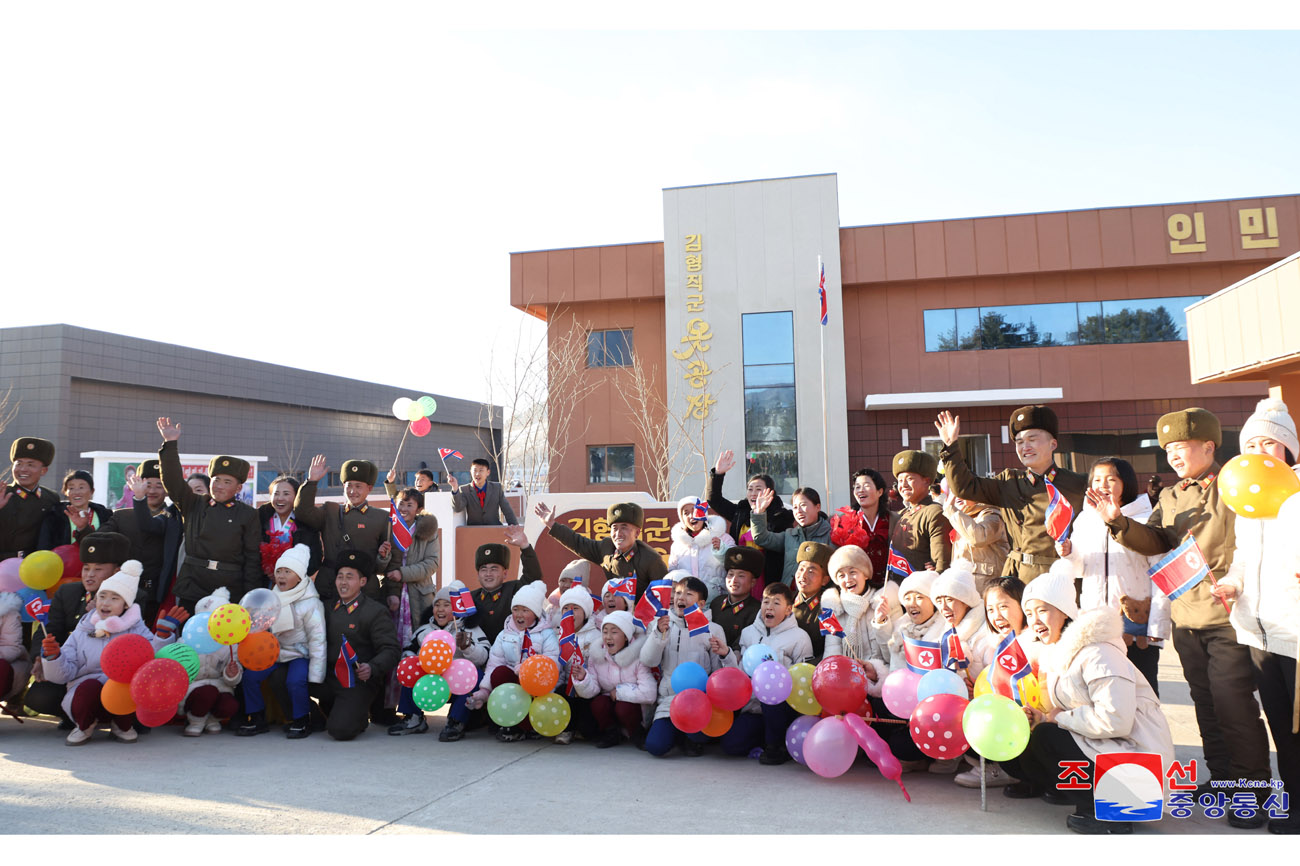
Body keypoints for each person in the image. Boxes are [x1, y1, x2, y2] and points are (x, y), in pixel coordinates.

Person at [1097, 407, 1272, 827]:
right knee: (1205, 702)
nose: (1173, 456)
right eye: (1169, 449)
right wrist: (1117, 521)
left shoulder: (1231, 483)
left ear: (1209, 447)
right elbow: (1156, 539)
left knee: (1233, 703)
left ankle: (1254, 789)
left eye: (1182, 447)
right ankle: (1224, 776)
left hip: (1228, 613)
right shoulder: (1173, 495)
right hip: (1186, 613)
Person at [1002, 569, 1174, 835]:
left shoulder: (1098, 652)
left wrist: (1055, 719)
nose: (1034, 620)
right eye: (1030, 612)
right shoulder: (1059, 652)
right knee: (1022, 738)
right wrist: (1041, 717)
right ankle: (1071, 792)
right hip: (1108, 751)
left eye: (1043, 610)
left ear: (1065, 611)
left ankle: (1113, 813)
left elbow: (1115, 720)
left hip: (1139, 773)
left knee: (1047, 735)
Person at [1210, 397, 1300, 834]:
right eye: (1252, 445)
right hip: (1259, 633)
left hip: (1296, 633)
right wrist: (1231, 583)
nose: (1261, 452)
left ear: (1289, 449)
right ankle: (1293, 801)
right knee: (1281, 726)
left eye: (1271, 443)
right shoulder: (1246, 500)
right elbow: (1244, 558)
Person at [935, 406, 1086, 582]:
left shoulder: (1078, 484)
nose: (1025, 447)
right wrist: (950, 446)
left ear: (1053, 444)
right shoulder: (1009, 482)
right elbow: (964, 487)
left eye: (1032, 439)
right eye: (1020, 442)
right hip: (1017, 578)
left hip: (1059, 577)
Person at [39, 560, 182, 745]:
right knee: (88, 687)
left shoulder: (136, 630)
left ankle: (121, 726)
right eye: (102, 596)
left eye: (115, 598)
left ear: (126, 605)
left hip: (121, 694)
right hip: (85, 694)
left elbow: (153, 663)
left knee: (123, 688)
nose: (106, 603)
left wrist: (162, 637)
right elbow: (64, 673)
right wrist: (53, 657)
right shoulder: (83, 629)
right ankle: (84, 727)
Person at [1057, 457, 1167, 695]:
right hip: (1094, 620)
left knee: (1143, 691)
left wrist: (1157, 625)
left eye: (1111, 479)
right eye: (1097, 479)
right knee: (1101, 689)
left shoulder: (1145, 519)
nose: (1102, 485)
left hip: (1136, 622)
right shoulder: (1085, 519)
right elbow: (1079, 569)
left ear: (1126, 483)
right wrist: (1069, 553)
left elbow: (1160, 574)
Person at [156, 417, 261, 613]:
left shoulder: (248, 514)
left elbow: (252, 558)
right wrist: (170, 444)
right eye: (216, 479)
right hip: (193, 583)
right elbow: (172, 481)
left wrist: (250, 596)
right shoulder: (194, 503)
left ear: (238, 487)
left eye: (227, 482)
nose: (219, 485)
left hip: (229, 588)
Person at [719, 581, 813, 764]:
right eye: (766, 602)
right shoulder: (748, 633)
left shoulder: (799, 637)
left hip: (782, 707)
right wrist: (727, 655)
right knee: (731, 745)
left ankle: (776, 746)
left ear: (788, 609)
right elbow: (740, 672)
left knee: (770, 689)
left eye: (776, 603)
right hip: (753, 707)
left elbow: (804, 677)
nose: (769, 607)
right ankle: (765, 738)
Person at [953, 577, 1034, 789]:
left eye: (1004, 607)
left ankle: (1005, 770)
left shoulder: (1035, 644)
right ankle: (992, 767)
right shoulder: (989, 644)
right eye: (990, 609)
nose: (996, 616)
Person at [312, 549, 400, 741]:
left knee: (340, 731)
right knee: (286, 677)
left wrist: (372, 667)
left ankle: (357, 716)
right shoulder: (324, 608)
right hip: (326, 676)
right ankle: (317, 716)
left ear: (362, 582)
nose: (343, 582)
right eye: (340, 577)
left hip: (355, 681)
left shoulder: (375, 611)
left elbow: (391, 649)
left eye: (349, 577)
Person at [239, 544, 325, 739]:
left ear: (300, 576)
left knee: (295, 681)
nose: (282, 576)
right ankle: (257, 718)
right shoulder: (270, 597)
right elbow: (261, 628)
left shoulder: (311, 602)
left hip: (299, 654)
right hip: (274, 652)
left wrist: (317, 673)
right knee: (250, 677)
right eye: (279, 571)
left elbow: (318, 638)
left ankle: (302, 721)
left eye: (288, 571)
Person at [640, 574, 729, 757]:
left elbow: (719, 674)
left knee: (698, 740)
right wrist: (658, 635)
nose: (681, 598)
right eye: (678, 593)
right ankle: (675, 734)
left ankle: (689, 736)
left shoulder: (713, 629)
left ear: (701, 603)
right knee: (655, 747)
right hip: (669, 701)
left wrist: (724, 654)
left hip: (700, 702)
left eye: (689, 594)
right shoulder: (661, 625)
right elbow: (649, 661)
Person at [392, 580, 491, 742]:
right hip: (430, 684)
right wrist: (411, 661)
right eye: (437, 605)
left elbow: (485, 655)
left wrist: (467, 647)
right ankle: (413, 717)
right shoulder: (424, 630)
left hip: (457, 685)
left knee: (476, 675)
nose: (440, 609)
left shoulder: (470, 629)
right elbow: (409, 649)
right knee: (410, 669)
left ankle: (456, 721)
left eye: (446, 605)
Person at [294, 454, 392, 605]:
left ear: (369, 488)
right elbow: (303, 512)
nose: (352, 491)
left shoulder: (381, 518)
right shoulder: (330, 511)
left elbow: (387, 564)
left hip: (364, 590)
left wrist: (383, 558)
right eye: (349, 485)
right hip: (330, 586)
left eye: (358, 486)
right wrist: (311, 481)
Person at [469, 580, 557, 742]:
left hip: (538, 687)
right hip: (514, 688)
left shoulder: (547, 634)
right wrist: (484, 691)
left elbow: (553, 663)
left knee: (529, 681)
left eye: (525, 610)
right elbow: (494, 663)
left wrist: (528, 670)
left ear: (536, 613)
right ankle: (514, 724)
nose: (519, 615)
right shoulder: (504, 634)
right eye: (516, 609)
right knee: (500, 672)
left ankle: (532, 724)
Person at [878, 568, 947, 770]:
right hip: (902, 706)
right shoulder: (901, 626)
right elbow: (888, 660)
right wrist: (882, 624)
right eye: (907, 597)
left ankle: (936, 757)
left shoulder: (944, 629)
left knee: (903, 745)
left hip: (931, 707)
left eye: (919, 597)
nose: (912, 603)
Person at [706, 449, 794, 597]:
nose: (753, 493)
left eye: (758, 489)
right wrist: (718, 474)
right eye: (750, 489)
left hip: (768, 576)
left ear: (770, 492)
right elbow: (714, 500)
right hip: (740, 576)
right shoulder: (740, 511)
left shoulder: (782, 516)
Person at [104, 460, 181, 626]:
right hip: (123, 591)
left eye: (158, 485)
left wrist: (139, 498)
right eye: (147, 484)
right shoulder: (121, 516)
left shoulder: (173, 517)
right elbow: (99, 540)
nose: (152, 490)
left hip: (156, 593)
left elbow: (149, 524)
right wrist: (82, 529)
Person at [536, 501, 668, 598]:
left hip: (643, 622)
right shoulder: (606, 548)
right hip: (614, 619)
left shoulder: (651, 559)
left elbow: (663, 595)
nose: (618, 534)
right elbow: (578, 543)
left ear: (637, 533)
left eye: (624, 528)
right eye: (614, 528)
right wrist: (551, 524)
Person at [820, 544, 899, 684]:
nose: (848, 579)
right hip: (845, 681)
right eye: (841, 575)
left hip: (881, 680)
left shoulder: (885, 602)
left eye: (853, 572)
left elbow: (892, 656)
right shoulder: (833, 608)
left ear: (866, 574)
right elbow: (831, 654)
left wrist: (881, 623)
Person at [581, 610, 656, 748]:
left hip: (635, 710)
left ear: (626, 636)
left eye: (614, 632)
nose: (608, 637)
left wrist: (620, 693)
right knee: (598, 703)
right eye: (605, 632)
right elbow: (592, 690)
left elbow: (650, 694)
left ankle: (637, 733)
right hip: (611, 704)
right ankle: (611, 733)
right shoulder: (597, 656)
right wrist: (582, 679)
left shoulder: (639, 658)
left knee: (624, 707)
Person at [180, 587, 243, 737]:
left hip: (219, 686)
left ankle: (213, 720)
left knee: (230, 704)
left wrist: (232, 674)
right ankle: (195, 721)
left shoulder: (230, 645)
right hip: (193, 689)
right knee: (207, 693)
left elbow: (232, 679)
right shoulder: (186, 640)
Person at [465, 526, 543, 645]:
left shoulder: (514, 590)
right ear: (478, 574)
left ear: (505, 573)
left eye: (494, 569)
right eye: (483, 569)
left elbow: (533, 575)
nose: (488, 574)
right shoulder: (469, 598)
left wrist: (525, 547)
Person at [381, 486, 440, 633]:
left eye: (409, 505)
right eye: (401, 503)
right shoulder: (388, 529)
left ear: (419, 509)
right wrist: (382, 557)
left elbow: (432, 563)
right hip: (392, 590)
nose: (404, 509)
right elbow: (379, 566)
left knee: (419, 636)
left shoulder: (428, 531)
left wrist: (402, 573)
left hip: (420, 593)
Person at [552, 584, 605, 744]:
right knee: (561, 691)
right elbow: (557, 664)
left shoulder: (595, 635)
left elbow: (599, 667)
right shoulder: (558, 635)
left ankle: (582, 727)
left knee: (587, 730)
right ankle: (566, 728)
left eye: (575, 608)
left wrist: (583, 677)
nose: (570, 612)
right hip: (567, 689)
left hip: (588, 687)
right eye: (566, 608)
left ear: (585, 612)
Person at [750, 486, 834, 586]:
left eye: (803, 505)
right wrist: (759, 512)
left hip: (818, 598)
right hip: (789, 596)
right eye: (794, 507)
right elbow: (762, 538)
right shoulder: (790, 535)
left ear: (818, 507)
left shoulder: (831, 535)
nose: (798, 511)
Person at [830, 468, 898, 582]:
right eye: (857, 487)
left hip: (888, 585)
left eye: (866, 485)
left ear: (880, 492)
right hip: (856, 585)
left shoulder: (894, 520)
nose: (860, 490)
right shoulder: (845, 520)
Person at [890, 450, 952, 574]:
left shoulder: (934, 513)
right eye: (900, 480)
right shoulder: (901, 514)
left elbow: (941, 564)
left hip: (921, 589)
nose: (904, 485)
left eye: (909, 478)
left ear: (927, 481)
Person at [0, 437, 61, 560]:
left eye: (30, 464)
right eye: (19, 463)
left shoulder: (51, 498)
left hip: (36, 567)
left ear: (43, 470)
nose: (23, 469)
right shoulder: (2, 493)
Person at [258, 475, 322, 587]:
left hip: (296, 584)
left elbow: (315, 558)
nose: (280, 498)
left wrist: (293, 573)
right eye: (276, 493)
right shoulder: (260, 518)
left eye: (286, 494)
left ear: (296, 497)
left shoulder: (306, 523)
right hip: (264, 582)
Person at [667, 497, 733, 602]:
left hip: (717, 600)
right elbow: (673, 573)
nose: (692, 516)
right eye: (686, 513)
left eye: (695, 510)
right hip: (687, 602)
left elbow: (735, 564)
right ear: (682, 518)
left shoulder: (722, 538)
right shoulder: (677, 545)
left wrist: (722, 550)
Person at [942, 493, 1009, 595]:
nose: (957, 496)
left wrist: (951, 510)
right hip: (965, 587)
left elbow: (978, 538)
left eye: (961, 491)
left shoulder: (992, 515)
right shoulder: (960, 516)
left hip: (988, 591)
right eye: (953, 492)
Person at [38, 469, 113, 550]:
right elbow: (43, 547)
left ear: (92, 491)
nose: (76, 492)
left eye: (81, 487)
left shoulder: (105, 515)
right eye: (71, 488)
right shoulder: (54, 516)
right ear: (65, 492)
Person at [709, 547, 763, 652]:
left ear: (753, 582)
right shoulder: (716, 603)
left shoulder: (757, 611)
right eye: (730, 574)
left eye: (741, 576)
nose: (734, 580)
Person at [788, 541, 834, 659]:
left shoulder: (827, 609)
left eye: (811, 571)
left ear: (825, 580)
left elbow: (831, 649)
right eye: (801, 569)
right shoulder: (786, 600)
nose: (803, 576)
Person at [448, 458, 518, 526]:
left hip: (494, 530)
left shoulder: (497, 488)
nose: (477, 474)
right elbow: (457, 508)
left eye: (481, 470)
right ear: (470, 472)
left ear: (488, 472)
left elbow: (507, 510)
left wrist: (515, 528)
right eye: (475, 470)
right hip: (473, 532)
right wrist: (455, 488)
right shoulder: (464, 489)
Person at [0, 590, 31, 714]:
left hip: (6, 664)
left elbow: (12, 648)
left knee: (1, 668)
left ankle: (16, 700)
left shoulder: (6, 608)